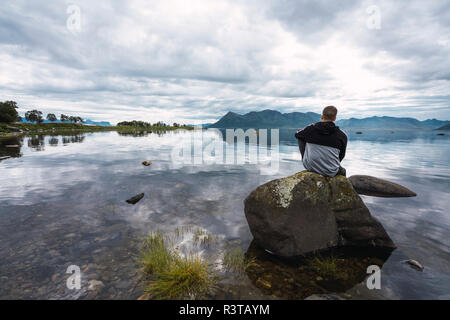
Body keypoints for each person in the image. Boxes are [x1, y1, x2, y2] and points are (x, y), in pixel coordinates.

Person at [295, 106, 347, 177]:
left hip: (310, 167)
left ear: (322, 116)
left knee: (300, 137)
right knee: (343, 171)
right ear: (335, 118)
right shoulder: (342, 135)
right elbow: (342, 155)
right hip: (331, 170)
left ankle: (307, 160)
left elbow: (297, 134)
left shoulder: (310, 129)